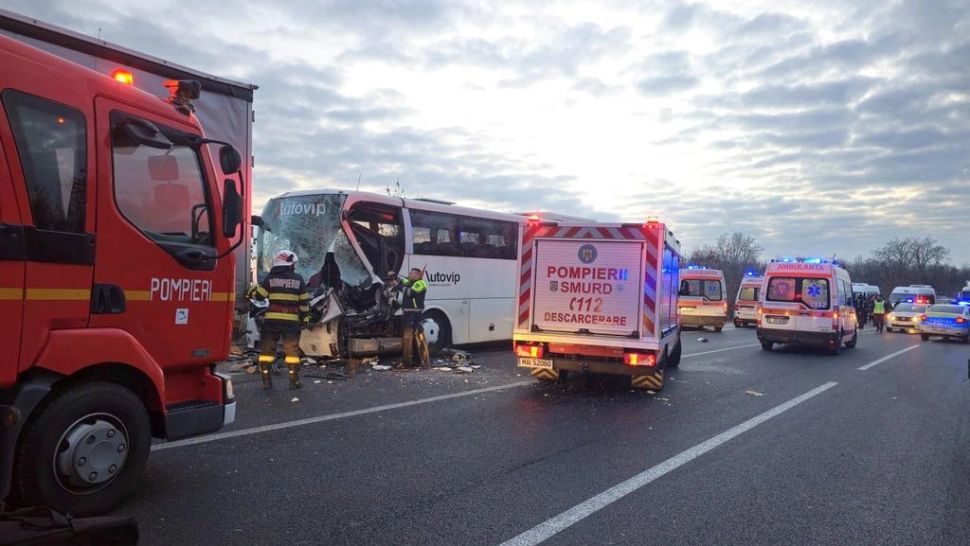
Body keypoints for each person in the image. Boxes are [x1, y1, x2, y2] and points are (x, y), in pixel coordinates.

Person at [248, 250, 310, 389]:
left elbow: (260, 296)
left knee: (267, 352)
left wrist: (252, 290)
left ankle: (266, 381)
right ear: (290, 264)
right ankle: (293, 382)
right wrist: (306, 318)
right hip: (291, 322)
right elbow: (304, 304)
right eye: (294, 263)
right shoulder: (298, 279)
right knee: (292, 352)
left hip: (272, 321)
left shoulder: (270, 278)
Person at [389, 268, 431, 369]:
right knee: (411, 338)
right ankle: (416, 360)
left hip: (414, 314)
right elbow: (402, 280)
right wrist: (394, 275)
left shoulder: (420, 284)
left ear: (417, 275)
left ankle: (412, 361)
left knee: (411, 337)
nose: (409, 274)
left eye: (411, 273)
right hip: (408, 313)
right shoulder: (410, 282)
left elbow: (411, 293)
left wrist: (397, 286)